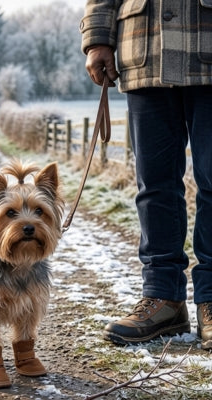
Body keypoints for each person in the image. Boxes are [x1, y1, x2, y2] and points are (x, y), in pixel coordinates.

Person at [80, 0, 212, 350]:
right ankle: (163, 299)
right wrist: (97, 38)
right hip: (144, 50)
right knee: (154, 185)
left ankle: (211, 298)